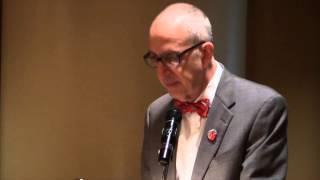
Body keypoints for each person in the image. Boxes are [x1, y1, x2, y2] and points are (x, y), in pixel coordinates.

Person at [141, 2, 288, 180]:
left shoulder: (261, 108)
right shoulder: (156, 112)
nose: (162, 71)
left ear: (205, 54)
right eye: (156, 58)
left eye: (172, 58)